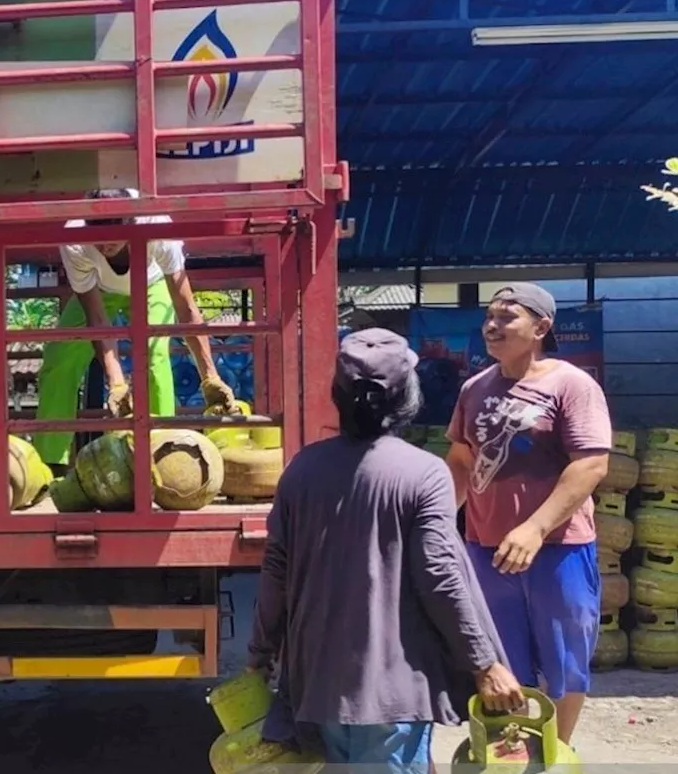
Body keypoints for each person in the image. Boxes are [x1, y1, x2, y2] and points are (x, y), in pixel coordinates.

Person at [249, 328, 523, 772]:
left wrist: (259, 656)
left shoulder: (302, 470)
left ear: (337, 396)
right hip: (392, 691)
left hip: (315, 685)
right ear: (408, 398)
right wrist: (484, 662)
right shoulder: (424, 474)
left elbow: (275, 570)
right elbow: (441, 577)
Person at [445, 283, 612, 746]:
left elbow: (591, 464)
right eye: (489, 318)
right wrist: (437, 524)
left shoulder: (571, 385)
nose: (493, 327)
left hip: (558, 551)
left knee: (563, 665)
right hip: (486, 550)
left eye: (507, 317)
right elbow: (461, 460)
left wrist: (536, 528)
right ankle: (513, 752)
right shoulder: (474, 388)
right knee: (502, 666)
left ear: (541, 327)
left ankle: (555, 753)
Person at [32, 189, 237, 470]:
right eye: (97, 235)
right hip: (100, 289)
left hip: (151, 283)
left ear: (132, 221)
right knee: (59, 358)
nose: (104, 244)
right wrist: (116, 384)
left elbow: (186, 306)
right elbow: (97, 319)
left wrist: (209, 376)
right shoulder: (74, 240)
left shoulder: (158, 228)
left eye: (113, 235)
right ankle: (48, 463)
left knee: (154, 354)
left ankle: (162, 456)